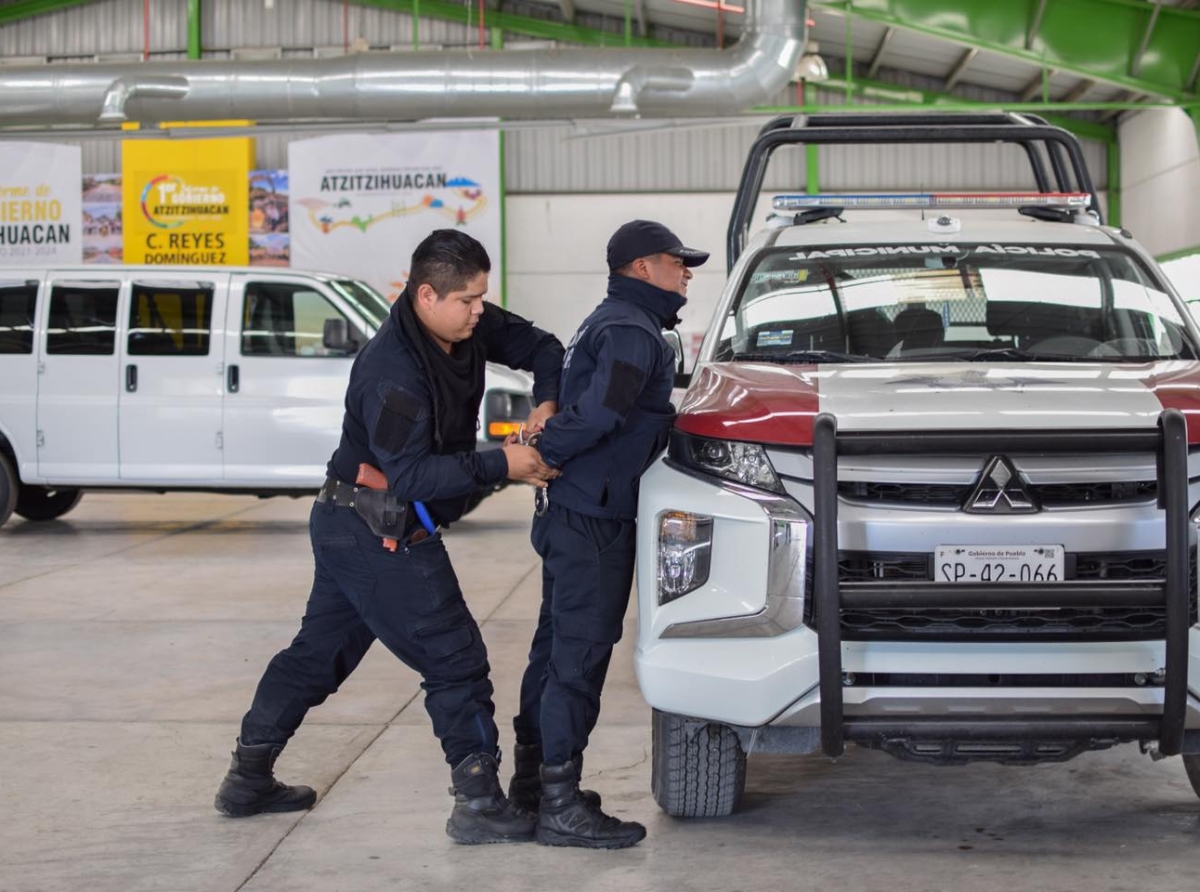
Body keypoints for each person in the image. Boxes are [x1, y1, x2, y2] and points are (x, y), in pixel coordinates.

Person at [214, 229, 565, 846]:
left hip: (356, 522)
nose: (480, 311)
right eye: (468, 301)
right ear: (426, 295)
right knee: (456, 660)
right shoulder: (391, 370)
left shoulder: (463, 321)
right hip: (376, 525)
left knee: (317, 657)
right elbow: (412, 476)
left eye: (484, 298)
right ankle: (479, 804)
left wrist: (547, 403)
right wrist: (502, 464)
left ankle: (247, 780)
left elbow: (544, 346)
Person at [510, 220, 709, 849]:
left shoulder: (612, 319)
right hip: (593, 517)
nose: (687, 273)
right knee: (579, 657)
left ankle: (534, 787)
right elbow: (602, 413)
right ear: (644, 267)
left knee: (553, 650)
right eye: (679, 263)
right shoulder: (630, 330)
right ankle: (561, 804)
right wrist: (548, 452)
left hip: (574, 511)